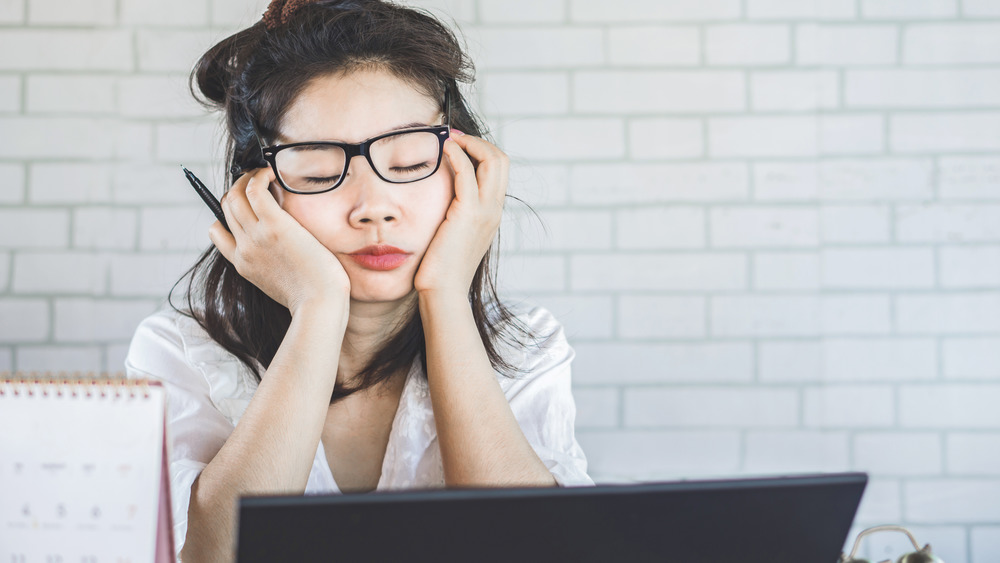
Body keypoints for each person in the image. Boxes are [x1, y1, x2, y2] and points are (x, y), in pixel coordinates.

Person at [124, 0, 592, 560]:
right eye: (320, 170)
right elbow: (210, 555)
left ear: (468, 171)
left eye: (408, 162)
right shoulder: (179, 352)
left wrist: (444, 295)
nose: (374, 209)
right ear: (253, 199)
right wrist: (318, 307)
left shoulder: (528, 346)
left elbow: (538, 551)